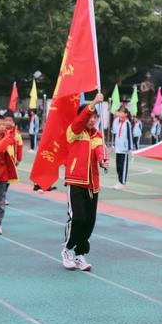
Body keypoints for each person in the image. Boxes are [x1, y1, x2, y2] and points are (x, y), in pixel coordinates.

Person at [61, 93, 108, 271]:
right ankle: (67, 250)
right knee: (77, 218)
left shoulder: (97, 135)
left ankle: (80, 253)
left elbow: (99, 150)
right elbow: (79, 121)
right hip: (75, 181)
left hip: (92, 184)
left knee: (89, 221)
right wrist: (94, 102)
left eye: (95, 116)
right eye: (89, 116)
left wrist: (103, 160)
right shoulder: (74, 131)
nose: (92, 120)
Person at [3, 111, 23, 203]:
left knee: (8, 180)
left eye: (10, 120)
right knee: (0, 179)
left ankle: (2, 196)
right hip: (1, 160)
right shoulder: (0, 131)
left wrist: (18, 159)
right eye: (6, 120)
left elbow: (20, 146)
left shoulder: (17, 134)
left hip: (11, 160)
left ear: (13, 121)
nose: (8, 122)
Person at [113, 108, 132, 190]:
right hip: (118, 148)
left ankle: (122, 182)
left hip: (124, 149)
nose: (120, 113)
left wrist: (130, 148)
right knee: (118, 166)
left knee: (123, 166)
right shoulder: (119, 122)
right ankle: (119, 181)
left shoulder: (127, 123)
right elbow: (116, 134)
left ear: (126, 114)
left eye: (121, 112)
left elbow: (129, 136)